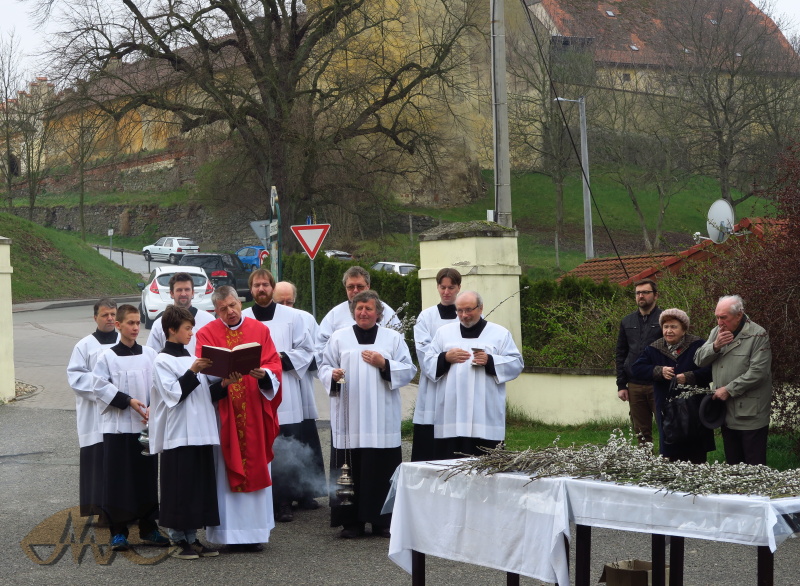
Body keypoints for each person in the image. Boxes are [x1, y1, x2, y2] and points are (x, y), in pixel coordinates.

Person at [318, 290, 416, 538]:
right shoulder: (339, 338)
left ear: (379, 313)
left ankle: (382, 521)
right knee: (349, 466)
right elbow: (324, 365)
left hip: (380, 417)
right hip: (349, 417)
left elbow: (408, 369)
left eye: (369, 308)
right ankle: (351, 522)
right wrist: (332, 375)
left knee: (380, 469)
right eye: (359, 308)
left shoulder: (392, 338)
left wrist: (385, 364)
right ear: (353, 312)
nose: (363, 312)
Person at [194, 285, 283, 552]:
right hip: (225, 413)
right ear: (216, 311)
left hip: (254, 410)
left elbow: (274, 364)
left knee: (254, 464)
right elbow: (201, 374)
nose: (230, 312)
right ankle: (227, 535)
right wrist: (220, 380)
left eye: (233, 306)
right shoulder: (206, 334)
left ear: (238, 302)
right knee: (224, 471)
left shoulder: (260, 331)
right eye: (223, 309)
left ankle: (255, 533)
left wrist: (264, 375)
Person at [149, 306, 224, 560]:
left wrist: (225, 384)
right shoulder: (162, 360)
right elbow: (175, 395)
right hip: (179, 433)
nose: (192, 333)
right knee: (179, 487)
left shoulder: (190, 357)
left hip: (200, 431)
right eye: (187, 328)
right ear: (172, 330)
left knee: (196, 487)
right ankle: (177, 539)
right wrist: (193, 371)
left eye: (192, 328)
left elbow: (204, 396)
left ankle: (192, 538)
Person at [92, 304, 169, 551]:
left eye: (138, 323)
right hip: (118, 428)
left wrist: (152, 408)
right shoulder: (107, 357)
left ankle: (149, 528)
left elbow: (158, 386)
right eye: (130, 323)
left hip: (145, 427)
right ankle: (119, 532)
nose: (136, 328)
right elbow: (99, 387)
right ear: (119, 325)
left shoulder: (150, 355)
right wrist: (128, 401)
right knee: (118, 480)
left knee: (146, 479)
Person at [242, 270, 315, 522]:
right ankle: (262, 499)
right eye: (256, 285)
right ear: (250, 289)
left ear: (272, 288)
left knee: (285, 448)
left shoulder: (293, 317)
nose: (261, 289)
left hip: (285, 391)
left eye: (265, 285)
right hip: (253, 391)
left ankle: (285, 501)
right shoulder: (242, 318)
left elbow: (306, 351)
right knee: (260, 447)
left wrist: (276, 361)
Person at [422, 290, 524, 460]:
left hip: (485, 414)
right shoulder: (443, 333)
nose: (464, 315)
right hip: (451, 414)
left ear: (481, 308)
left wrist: (490, 360)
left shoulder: (499, 334)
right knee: (449, 465)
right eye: (459, 310)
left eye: (469, 310)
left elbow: (516, 363)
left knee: (486, 467)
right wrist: (445, 358)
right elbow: (427, 363)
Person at [694, 295, 772, 465]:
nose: (719, 322)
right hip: (726, 411)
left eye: (724, 318)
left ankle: (755, 492)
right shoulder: (717, 332)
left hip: (750, 413)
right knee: (733, 465)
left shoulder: (758, 335)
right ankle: (736, 492)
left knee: (753, 466)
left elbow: (758, 372)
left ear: (739, 315)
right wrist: (715, 346)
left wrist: (729, 389)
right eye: (717, 317)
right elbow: (698, 360)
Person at [631, 308, 713, 463]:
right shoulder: (653, 348)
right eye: (665, 327)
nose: (668, 331)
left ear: (684, 329)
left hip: (695, 406)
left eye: (673, 327)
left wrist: (690, 376)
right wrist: (658, 371)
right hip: (668, 409)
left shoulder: (698, 345)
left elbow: (711, 370)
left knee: (697, 451)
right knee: (672, 449)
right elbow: (636, 369)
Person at [272, 281, 326, 512]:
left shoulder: (305, 318)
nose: (287, 306)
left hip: (300, 389)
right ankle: (282, 494)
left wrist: (293, 360)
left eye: (290, 301)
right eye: (281, 302)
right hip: (273, 389)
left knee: (304, 440)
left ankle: (307, 492)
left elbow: (318, 354)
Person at [66, 298, 118, 520]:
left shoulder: (126, 343)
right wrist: (105, 389)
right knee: (98, 462)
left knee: (120, 463)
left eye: (113, 315)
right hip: (94, 416)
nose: (110, 319)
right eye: (105, 315)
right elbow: (76, 378)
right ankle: (100, 511)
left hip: (121, 414)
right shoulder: (84, 345)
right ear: (95, 317)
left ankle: (127, 510)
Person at [410, 267, 461, 462]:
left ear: (458, 288)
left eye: (451, 287)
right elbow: (424, 354)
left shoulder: (465, 315)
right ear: (437, 287)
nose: (446, 292)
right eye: (443, 287)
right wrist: (447, 357)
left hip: (459, 385)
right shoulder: (427, 317)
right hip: (433, 387)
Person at [315, 266, 401, 362]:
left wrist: (384, 363)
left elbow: (398, 343)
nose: (355, 290)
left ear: (368, 286)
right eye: (350, 287)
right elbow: (321, 345)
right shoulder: (334, 315)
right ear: (345, 288)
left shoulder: (385, 311)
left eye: (360, 286)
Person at [615, 278, 663, 444]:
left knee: (666, 425)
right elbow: (621, 353)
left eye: (645, 292)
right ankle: (645, 462)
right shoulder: (627, 321)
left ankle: (669, 462)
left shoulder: (665, 320)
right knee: (640, 431)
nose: (641, 296)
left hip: (658, 382)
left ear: (655, 295)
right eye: (638, 293)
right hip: (634, 384)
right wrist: (621, 385)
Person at [146, 272, 215, 354]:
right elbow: (151, 354)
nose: (183, 294)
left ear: (193, 292)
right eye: (179, 290)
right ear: (171, 293)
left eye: (187, 289)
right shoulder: (160, 323)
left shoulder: (208, 321)